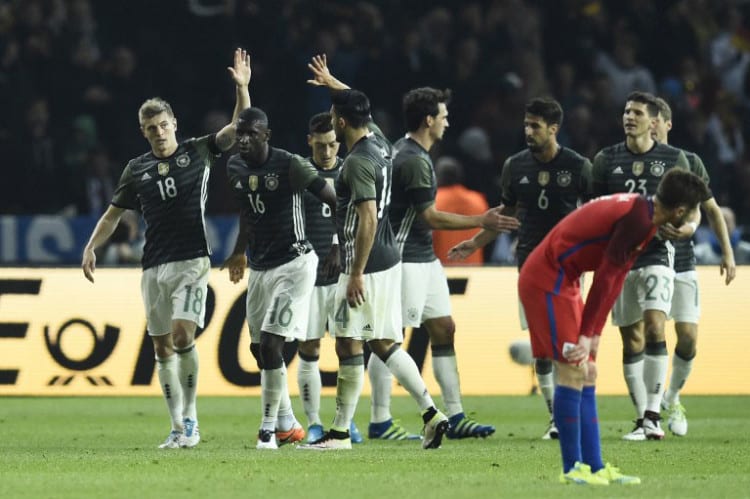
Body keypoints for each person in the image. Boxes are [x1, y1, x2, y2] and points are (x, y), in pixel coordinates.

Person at [81, 48, 251, 449]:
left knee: (181, 335)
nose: (158, 132)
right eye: (150, 127)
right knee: (160, 346)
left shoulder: (199, 150)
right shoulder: (135, 169)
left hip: (192, 260)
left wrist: (242, 89)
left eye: (163, 124)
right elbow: (111, 215)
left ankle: (191, 419)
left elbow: (238, 128)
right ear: (144, 132)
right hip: (152, 264)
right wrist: (91, 247)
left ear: (174, 123)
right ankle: (176, 426)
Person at [519, 169, 710, 485]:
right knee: (572, 370)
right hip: (547, 279)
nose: (691, 219)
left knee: (587, 371)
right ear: (680, 211)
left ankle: (594, 467)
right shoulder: (638, 220)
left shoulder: (646, 217)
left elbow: (616, 276)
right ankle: (573, 469)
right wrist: (585, 333)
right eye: (691, 213)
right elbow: (605, 276)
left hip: (563, 280)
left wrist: (593, 333)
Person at [299, 54, 449, 450]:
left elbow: (366, 218)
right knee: (383, 343)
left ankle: (337, 434)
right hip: (389, 258)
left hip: (366, 263)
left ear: (341, 123)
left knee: (348, 344)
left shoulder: (356, 164)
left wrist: (355, 273)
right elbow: (357, 103)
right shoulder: (380, 143)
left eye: (334, 113)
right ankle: (432, 412)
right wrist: (334, 82)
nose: (331, 117)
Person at [368, 86, 519, 442]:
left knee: (444, 328)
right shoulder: (415, 161)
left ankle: (456, 416)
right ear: (428, 120)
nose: (448, 122)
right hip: (405, 259)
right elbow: (431, 217)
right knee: (389, 338)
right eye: (444, 116)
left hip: (425, 259)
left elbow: (370, 124)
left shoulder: (405, 151)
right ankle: (380, 419)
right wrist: (483, 221)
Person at [449, 98, 592, 440]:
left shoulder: (578, 166)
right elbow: (507, 213)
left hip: (568, 266)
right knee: (541, 347)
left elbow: (595, 211)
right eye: (526, 125)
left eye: (535, 126)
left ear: (554, 129)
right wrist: (475, 242)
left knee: (567, 345)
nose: (528, 131)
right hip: (529, 265)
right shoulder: (515, 166)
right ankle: (556, 417)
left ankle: (573, 412)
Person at [221, 106, 338, 450]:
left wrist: (338, 245)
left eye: (251, 134)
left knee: (274, 345)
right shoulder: (234, 166)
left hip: (295, 264)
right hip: (260, 266)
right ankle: (287, 424)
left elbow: (335, 199)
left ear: (266, 136)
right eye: (240, 134)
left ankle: (267, 431)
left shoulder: (291, 165)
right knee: (260, 351)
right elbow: (247, 210)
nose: (243, 140)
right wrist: (240, 251)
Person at [591, 91, 696, 441]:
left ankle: (654, 415)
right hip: (619, 257)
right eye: (625, 111)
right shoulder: (606, 161)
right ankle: (641, 418)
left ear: (653, 121)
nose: (629, 117)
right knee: (630, 336)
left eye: (636, 112)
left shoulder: (672, 157)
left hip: (656, 253)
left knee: (655, 326)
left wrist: (687, 228)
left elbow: (693, 205)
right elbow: (592, 207)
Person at [651, 97, 736, 436]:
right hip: (644, 259)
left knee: (687, 338)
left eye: (658, 120)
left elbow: (710, 210)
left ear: (668, 124)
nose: (652, 125)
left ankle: (673, 396)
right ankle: (650, 409)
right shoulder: (629, 164)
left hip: (683, 260)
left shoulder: (687, 162)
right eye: (648, 119)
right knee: (647, 334)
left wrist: (727, 253)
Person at [296, 112, 363, 444]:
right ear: (310, 141)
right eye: (320, 145)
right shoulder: (300, 173)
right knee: (308, 347)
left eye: (333, 145)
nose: (327, 152)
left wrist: (337, 245)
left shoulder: (350, 170)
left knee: (347, 345)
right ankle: (313, 422)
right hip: (308, 277)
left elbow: (357, 215)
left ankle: (345, 421)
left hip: (343, 275)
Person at [432, 157, 490, 265]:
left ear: (436, 177)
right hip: (475, 269)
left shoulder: (433, 203)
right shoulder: (478, 201)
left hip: (442, 269)